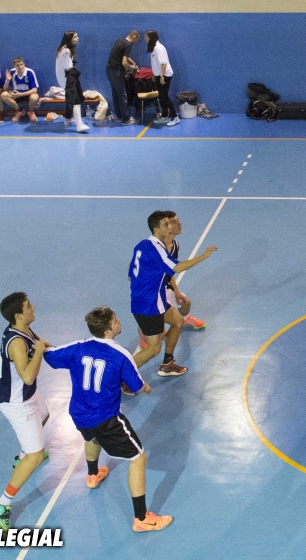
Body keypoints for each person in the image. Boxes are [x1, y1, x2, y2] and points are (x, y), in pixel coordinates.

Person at [43, 306, 172, 532]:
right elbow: (134, 385)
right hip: (106, 419)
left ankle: (93, 474)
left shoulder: (78, 347)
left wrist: (39, 342)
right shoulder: (120, 354)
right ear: (108, 331)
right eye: (115, 320)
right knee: (138, 458)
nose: (119, 321)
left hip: (79, 414)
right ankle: (141, 518)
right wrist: (145, 388)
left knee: (91, 438)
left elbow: (50, 355)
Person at [0, 292, 52, 531]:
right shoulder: (16, 342)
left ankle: (23, 455)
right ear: (19, 315)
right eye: (28, 306)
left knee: (44, 415)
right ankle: (1, 504)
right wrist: (39, 351)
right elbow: (27, 376)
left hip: (29, 396)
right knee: (36, 456)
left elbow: (42, 344)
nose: (33, 307)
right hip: (17, 403)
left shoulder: (24, 329)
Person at [128, 211, 217, 377]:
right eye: (166, 224)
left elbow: (130, 273)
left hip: (152, 298)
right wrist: (204, 255)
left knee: (177, 321)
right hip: (149, 304)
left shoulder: (143, 245)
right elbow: (178, 267)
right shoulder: (157, 249)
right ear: (156, 229)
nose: (170, 226)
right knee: (154, 348)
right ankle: (121, 377)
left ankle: (167, 364)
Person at [144, 30, 179, 126]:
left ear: (151, 38)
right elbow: (156, 63)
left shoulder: (158, 48)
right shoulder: (154, 48)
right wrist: (154, 74)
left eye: (146, 36)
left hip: (165, 75)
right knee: (161, 97)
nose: (144, 38)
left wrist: (162, 76)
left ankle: (175, 117)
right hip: (159, 75)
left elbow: (164, 63)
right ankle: (164, 116)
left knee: (164, 96)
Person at [57, 31, 89, 133]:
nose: (78, 38)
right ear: (69, 39)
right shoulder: (66, 51)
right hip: (68, 77)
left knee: (73, 97)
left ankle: (68, 119)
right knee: (75, 98)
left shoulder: (64, 49)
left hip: (67, 77)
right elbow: (68, 67)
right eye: (75, 37)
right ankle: (79, 124)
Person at [106, 30, 139, 125]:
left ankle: (120, 116)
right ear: (134, 37)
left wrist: (134, 63)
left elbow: (126, 57)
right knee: (122, 95)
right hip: (117, 72)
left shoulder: (119, 41)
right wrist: (132, 69)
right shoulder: (128, 45)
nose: (136, 42)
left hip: (109, 70)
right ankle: (127, 119)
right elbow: (124, 62)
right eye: (137, 40)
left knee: (116, 94)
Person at [1, 58, 40, 123]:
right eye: (18, 65)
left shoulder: (30, 72)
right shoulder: (12, 72)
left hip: (27, 94)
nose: (20, 67)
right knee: (3, 95)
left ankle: (30, 112)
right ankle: (20, 111)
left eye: (22, 64)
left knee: (34, 97)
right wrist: (8, 80)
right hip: (16, 94)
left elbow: (34, 90)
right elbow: (5, 89)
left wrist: (20, 94)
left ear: (24, 64)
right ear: (14, 66)